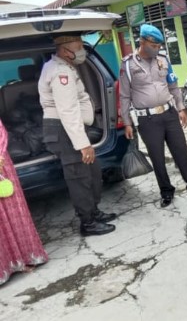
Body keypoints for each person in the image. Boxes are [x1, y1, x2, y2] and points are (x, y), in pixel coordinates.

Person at [119, 23, 187, 207]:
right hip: (147, 119)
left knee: (181, 150)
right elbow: (124, 95)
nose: (157, 48)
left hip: (169, 113)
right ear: (142, 41)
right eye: (154, 45)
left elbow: (173, 85)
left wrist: (181, 108)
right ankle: (166, 191)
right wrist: (127, 122)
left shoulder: (163, 59)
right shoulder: (128, 64)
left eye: (159, 45)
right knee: (157, 156)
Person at [39, 34, 117, 236]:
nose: (82, 50)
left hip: (67, 129)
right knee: (79, 177)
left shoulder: (62, 67)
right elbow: (68, 110)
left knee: (91, 172)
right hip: (63, 129)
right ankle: (88, 223)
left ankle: (94, 211)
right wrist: (83, 143)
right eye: (79, 47)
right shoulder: (60, 72)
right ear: (65, 51)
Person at [0, 118, 48, 285]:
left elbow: (1, 133)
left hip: (1, 165)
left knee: (14, 212)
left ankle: (24, 258)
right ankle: (5, 267)